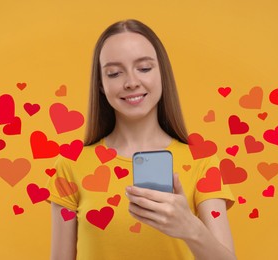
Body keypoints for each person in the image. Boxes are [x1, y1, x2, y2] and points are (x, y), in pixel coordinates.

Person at [47, 19, 236, 260]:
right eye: (114, 73)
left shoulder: (202, 162)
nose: (131, 82)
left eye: (144, 68)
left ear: (162, 74)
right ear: (102, 85)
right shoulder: (70, 166)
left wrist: (191, 228)